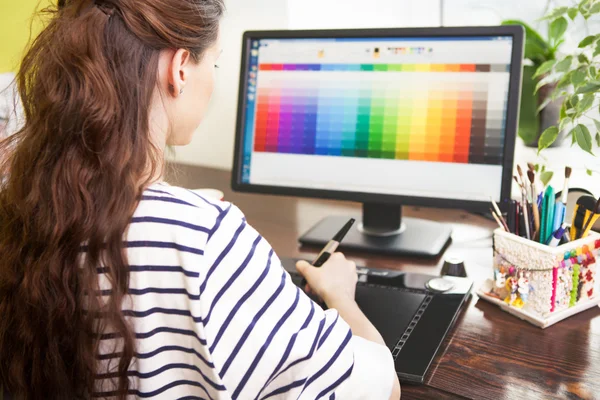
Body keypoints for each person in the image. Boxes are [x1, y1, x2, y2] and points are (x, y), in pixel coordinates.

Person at [0, 0, 401, 399]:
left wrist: (174, 215)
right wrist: (340, 297)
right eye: (215, 63)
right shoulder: (203, 237)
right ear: (179, 70)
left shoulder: (20, 205)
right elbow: (382, 390)